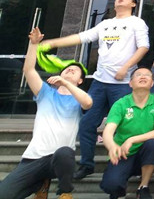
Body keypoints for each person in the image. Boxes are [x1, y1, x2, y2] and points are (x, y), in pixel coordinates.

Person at [42, 0, 149, 179]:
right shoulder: (105, 24)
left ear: (133, 4)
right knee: (87, 123)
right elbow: (81, 37)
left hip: (123, 84)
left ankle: (121, 166)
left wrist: (126, 68)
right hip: (100, 83)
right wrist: (53, 43)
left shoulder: (137, 23)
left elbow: (144, 47)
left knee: (125, 126)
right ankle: (87, 164)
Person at [0, 29, 92, 199]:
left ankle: (65, 192)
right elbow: (29, 70)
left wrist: (66, 83)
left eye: (75, 70)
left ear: (80, 80)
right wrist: (33, 44)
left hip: (59, 160)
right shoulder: (45, 93)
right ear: (60, 73)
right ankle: (41, 184)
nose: (70, 70)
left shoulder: (79, 99)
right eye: (67, 69)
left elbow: (87, 103)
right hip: (33, 157)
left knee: (65, 152)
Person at [99, 68, 154, 199]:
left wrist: (132, 139)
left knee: (153, 144)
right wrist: (112, 146)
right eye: (138, 75)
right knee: (111, 185)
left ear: (152, 83)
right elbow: (108, 131)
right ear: (130, 83)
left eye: (147, 75)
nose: (143, 77)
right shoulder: (121, 103)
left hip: (145, 152)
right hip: (124, 153)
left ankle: (143, 187)